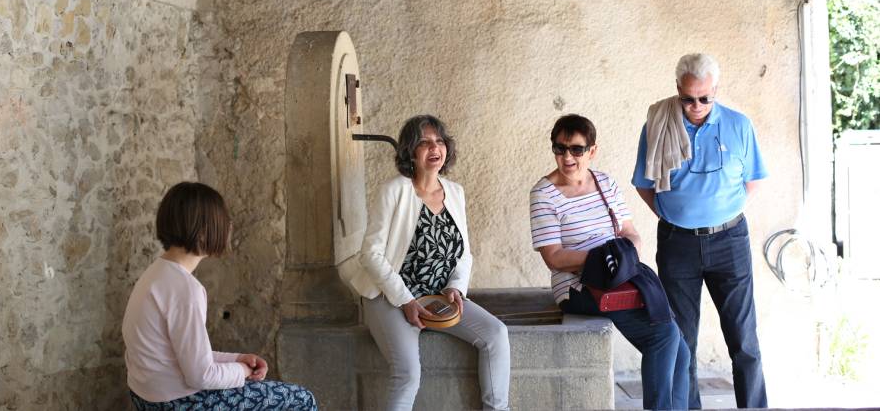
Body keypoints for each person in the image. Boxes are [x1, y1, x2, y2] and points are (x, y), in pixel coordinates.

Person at [345, 115, 510, 411]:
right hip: (389, 297)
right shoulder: (394, 191)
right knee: (407, 374)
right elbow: (370, 253)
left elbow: (463, 253)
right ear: (410, 151)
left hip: (437, 296)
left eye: (439, 141)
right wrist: (406, 300)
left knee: (496, 334)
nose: (434, 148)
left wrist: (455, 288)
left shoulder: (455, 192)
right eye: (424, 142)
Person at [632, 53, 768, 409]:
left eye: (704, 98)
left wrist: (727, 213)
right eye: (688, 98)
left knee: (744, 341)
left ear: (716, 91)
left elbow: (753, 180)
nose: (696, 106)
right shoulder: (658, 125)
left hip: (729, 241)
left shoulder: (739, 125)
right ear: (678, 89)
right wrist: (667, 213)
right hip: (678, 244)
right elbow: (644, 183)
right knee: (682, 342)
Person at [530, 114, 689, 411]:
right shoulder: (543, 194)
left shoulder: (604, 182)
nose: (567, 157)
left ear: (592, 151)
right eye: (560, 148)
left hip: (621, 275)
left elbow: (629, 233)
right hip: (578, 286)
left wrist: (628, 255)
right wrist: (602, 260)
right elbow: (553, 257)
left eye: (576, 149)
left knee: (680, 350)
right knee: (664, 335)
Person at [122, 182, 318, 410]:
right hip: (181, 403)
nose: (229, 227)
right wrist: (243, 371)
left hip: (148, 398)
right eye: (224, 220)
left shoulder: (155, 273)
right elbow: (201, 376)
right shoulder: (185, 289)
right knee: (301, 400)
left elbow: (187, 354)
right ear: (203, 230)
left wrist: (236, 359)